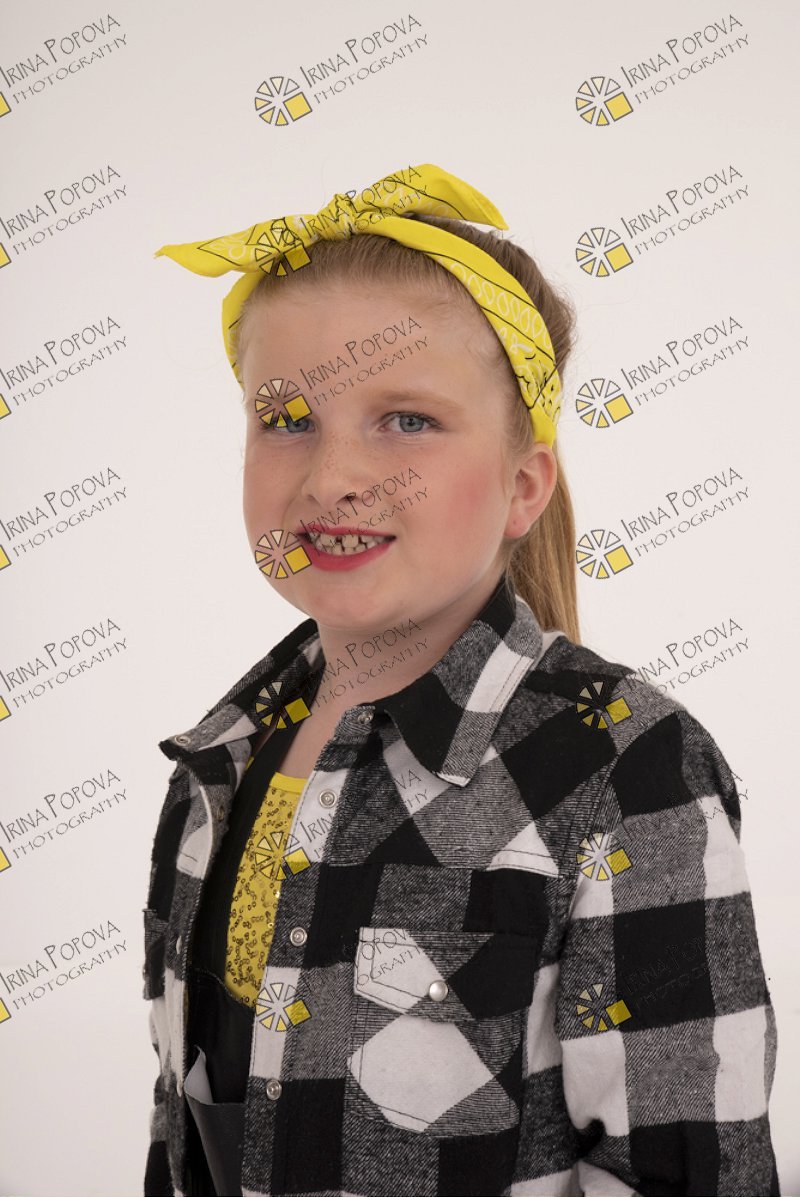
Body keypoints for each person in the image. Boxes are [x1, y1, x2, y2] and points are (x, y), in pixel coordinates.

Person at [142, 163, 780, 1197]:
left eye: (407, 420)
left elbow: (690, 1173)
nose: (333, 477)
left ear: (523, 485)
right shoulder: (216, 767)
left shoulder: (628, 771)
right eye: (287, 417)